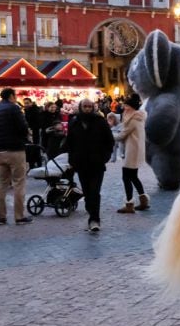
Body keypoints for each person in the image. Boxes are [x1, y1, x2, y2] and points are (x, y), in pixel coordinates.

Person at [64, 98, 115, 232]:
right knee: (87, 192)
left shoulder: (100, 121)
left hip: (97, 163)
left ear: (93, 108)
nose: (87, 109)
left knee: (95, 191)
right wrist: (72, 160)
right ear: (81, 107)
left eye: (89, 106)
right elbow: (70, 143)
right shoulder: (74, 122)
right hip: (81, 164)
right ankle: (90, 209)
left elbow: (109, 141)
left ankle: (94, 219)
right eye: (85, 106)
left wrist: (105, 157)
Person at [0, 87, 33, 226]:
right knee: (19, 183)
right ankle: (19, 216)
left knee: (1, 184)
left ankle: (1, 217)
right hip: (15, 149)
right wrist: (25, 137)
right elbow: (23, 127)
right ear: (12, 96)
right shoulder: (14, 108)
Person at [115, 93, 150, 214]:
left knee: (126, 177)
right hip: (135, 149)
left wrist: (110, 137)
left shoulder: (133, 119)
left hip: (132, 150)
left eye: (126, 105)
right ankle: (143, 200)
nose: (124, 107)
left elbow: (122, 134)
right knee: (133, 176)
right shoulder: (136, 116)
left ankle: (129, 204)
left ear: (132, 107)